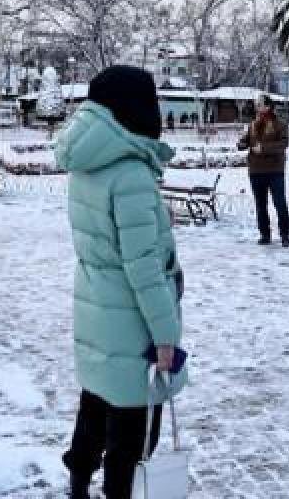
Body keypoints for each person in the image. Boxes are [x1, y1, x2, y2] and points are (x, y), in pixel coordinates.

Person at [56, 65, 186, 499]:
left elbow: (105, 236)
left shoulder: (90, 162)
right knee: (130, 432)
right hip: (131, 319)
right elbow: (144, 270)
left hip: (97, 306)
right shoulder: (129, 172)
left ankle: (78, 485)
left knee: (94, 402)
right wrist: (166, 338)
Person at [238, 94, 289, 246]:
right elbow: (247, 140)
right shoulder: (253, 124)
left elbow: (284, 143)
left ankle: (285, 235)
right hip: (256, 170)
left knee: (279, 203)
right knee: (260, 205)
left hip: (275, 170)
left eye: (260, 104)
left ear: (268, 106)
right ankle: (265, 234)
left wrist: (263, 148)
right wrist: (242, 143)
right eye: (257, 105)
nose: (258, 107)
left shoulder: (279, 124)